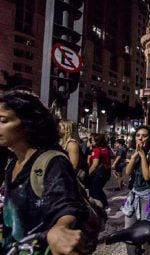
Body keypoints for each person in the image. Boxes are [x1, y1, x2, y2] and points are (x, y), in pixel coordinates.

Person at [0, 90, 87, 254]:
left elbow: (67, 205)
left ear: (27, 123)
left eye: (3, 120)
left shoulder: (52, 161)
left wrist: (60, 229)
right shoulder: (12, 164)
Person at [121, 125, 150, 255]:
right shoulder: (133, 152)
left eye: (144, 135)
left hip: (148, 198)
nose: (140, 138)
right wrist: (134, 157)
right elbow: (127, 172)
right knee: (129, 228)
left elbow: (147, 176)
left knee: (147, 229)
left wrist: (143, 156)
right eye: (138, 135)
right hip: (133, 195)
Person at [87, 133, 112, 209]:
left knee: (95, 190)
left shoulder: (97, 150)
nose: (91, 142)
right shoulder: (106, 148)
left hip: (99, 173)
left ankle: (102, 205)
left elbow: (95, 164)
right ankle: (105, 204)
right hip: (106, 172)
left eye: (93, 140)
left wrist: (87, 174)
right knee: (98, 188)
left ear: (97, 141)